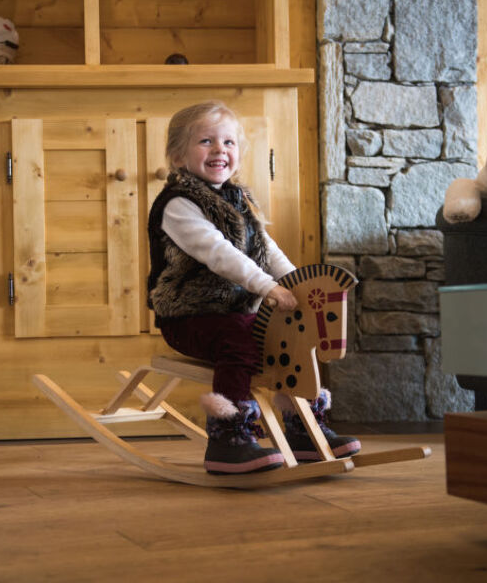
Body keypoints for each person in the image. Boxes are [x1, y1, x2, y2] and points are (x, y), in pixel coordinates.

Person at [147, 101, 360, 475]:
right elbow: (219, 254)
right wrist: (267, 287)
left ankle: (302, 427)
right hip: (189, 315)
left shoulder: (238, 199)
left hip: (236, 312)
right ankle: (227, 437)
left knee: (290, 334)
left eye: (229, 142)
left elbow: (267, 249)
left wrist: (300, 285)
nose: (219, 150)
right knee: (239, 340)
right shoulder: (178, 204)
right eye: (206, 141)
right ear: (178, 156)